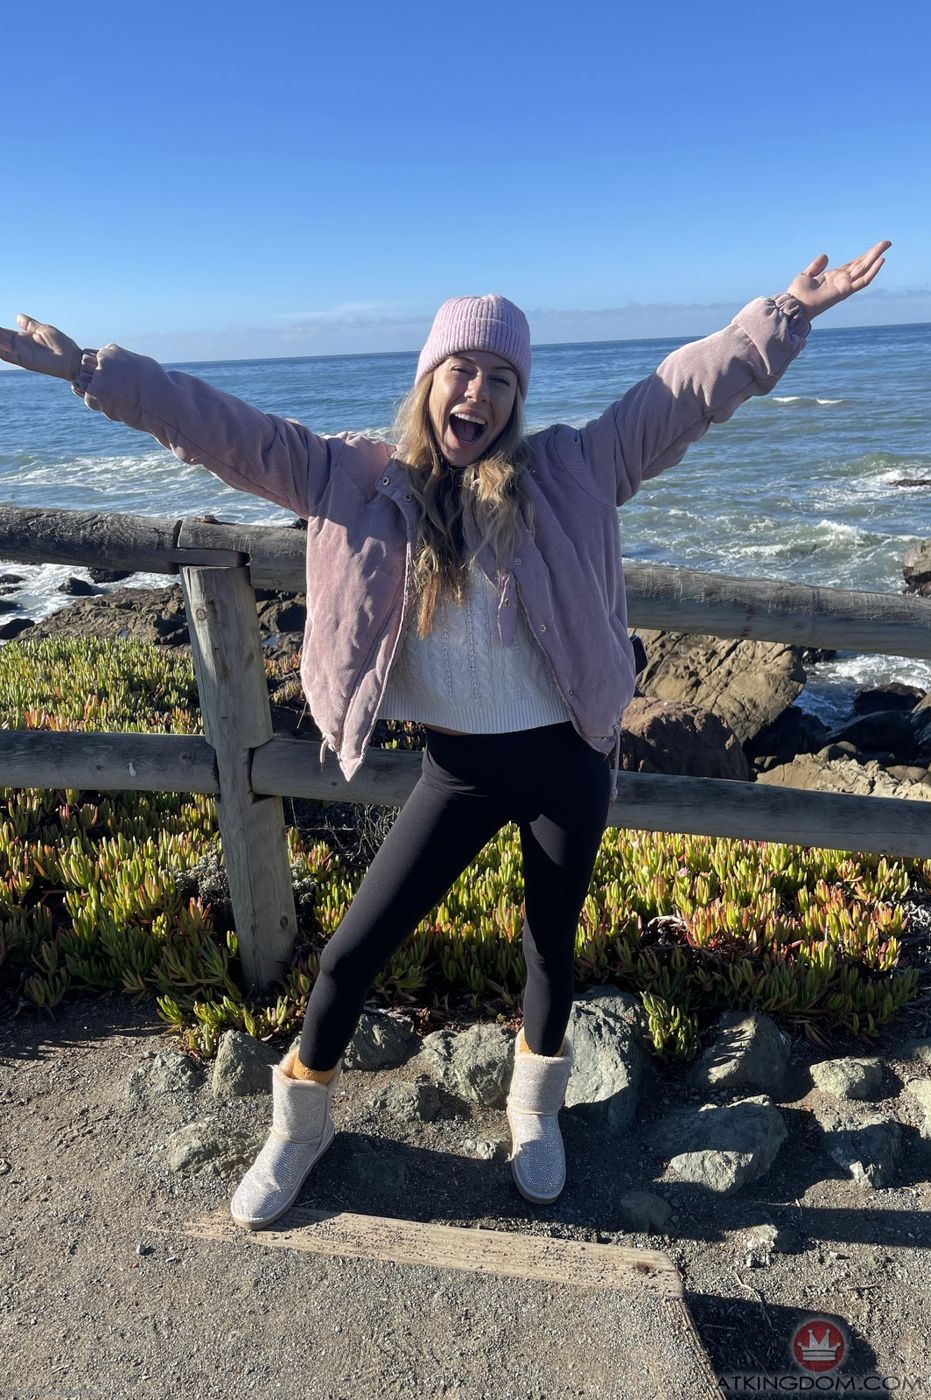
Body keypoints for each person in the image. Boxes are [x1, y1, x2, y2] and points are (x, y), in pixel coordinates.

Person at [0, 241, 890, 1227]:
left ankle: (532, 1110)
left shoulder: (572, 469)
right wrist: (87, 370)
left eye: (502, 379)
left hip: (567, 760)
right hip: (457, 771)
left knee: (549, 949)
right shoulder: (349, 477)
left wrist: (784, 313)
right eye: (462, 369)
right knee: (349, 954)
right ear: (428, 378)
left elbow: (682, 392)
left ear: (517, 396)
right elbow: (221, 428)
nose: (480, 394)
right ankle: (299, 1123)